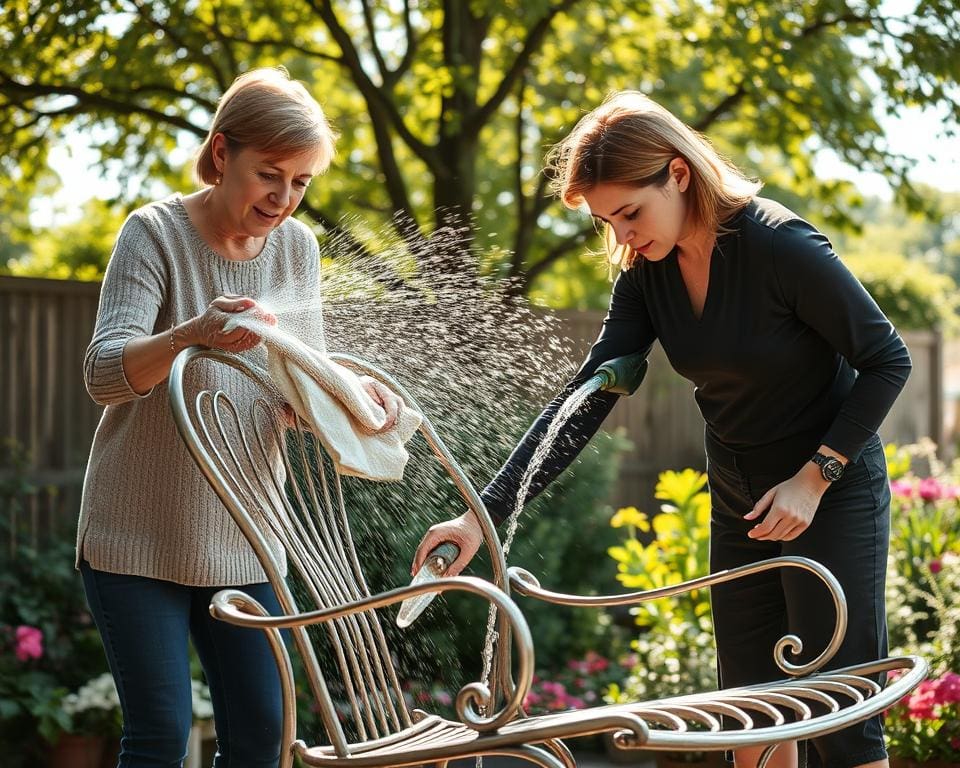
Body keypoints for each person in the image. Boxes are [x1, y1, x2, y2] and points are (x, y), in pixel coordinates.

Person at [412, 91, 910, 768]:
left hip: (828, 492)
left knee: (840, 719)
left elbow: (888, 359)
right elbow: (582, 400)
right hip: (740, 495)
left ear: (678, 174)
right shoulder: (648, 276)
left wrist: (813, 478)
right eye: (606, 222)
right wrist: (483, 516)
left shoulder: (781, 247)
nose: (621, 236)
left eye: (629, 213)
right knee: (752, 710)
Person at [78, 67, 399, 767]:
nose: (284, 198)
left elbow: (299, 396)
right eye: (270, 174)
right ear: (222, 153)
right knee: (160, 736)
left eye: (302, 182)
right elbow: (104, 375)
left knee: (262, 738)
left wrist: (361, 401)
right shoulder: (153, 234)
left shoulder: (297, 249)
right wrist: (190, 333)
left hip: (247, 538)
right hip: (137, 536)